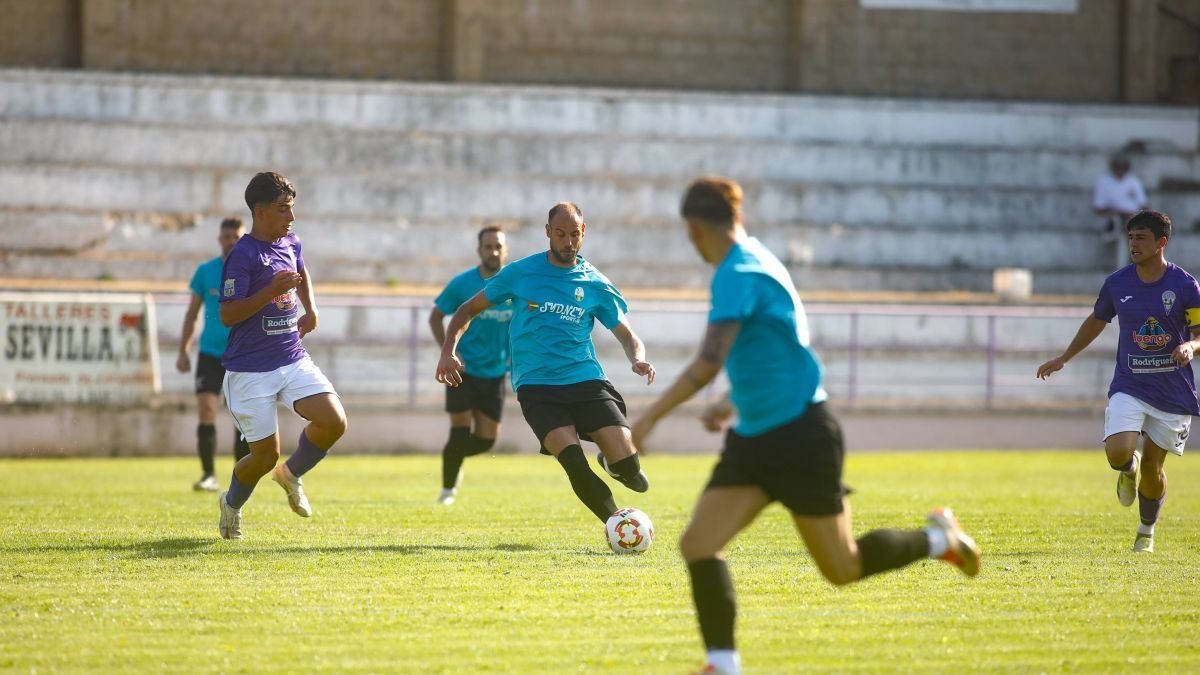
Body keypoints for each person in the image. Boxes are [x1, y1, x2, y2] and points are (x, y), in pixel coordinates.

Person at [630, 177, 981, 675]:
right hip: (755, 437)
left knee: (843, 567)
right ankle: (723, 664)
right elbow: (780, 345)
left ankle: (938, 540)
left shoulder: (738, 271)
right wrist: (731, 403)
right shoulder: (759, 258)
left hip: (800, 437)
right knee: (699, 545)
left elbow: (709, 359)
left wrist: (647, 418)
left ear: (692, 230)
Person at [436, 202, 655, 526]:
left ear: (583, 233)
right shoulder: (521, 273)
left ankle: (615, 465)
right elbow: (467, 309)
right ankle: (617, 524)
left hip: (586, 381)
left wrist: (638, 358)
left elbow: (628, 334)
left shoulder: (594, 283)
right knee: (574, 463)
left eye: (574, 235)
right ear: (548, 232)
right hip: (537, 387)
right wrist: (448, 350)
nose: (568, 242)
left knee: (630, 469)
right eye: (561, 234)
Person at [1037, 210, 1198, 554]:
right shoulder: (1118, 283)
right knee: (1118, 452)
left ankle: (1146, 531)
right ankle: (1128, 469)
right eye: (1131, 238)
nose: (1134, 244)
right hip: (1131, 384)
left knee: (1155, 469)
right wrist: (1064, 358)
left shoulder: (1185, 285)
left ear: (1161, 242)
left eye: (1141, 238)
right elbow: (1097, 321)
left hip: (1172, 390)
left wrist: (1190, 345)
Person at [216, 171, 348, 540]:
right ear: (259, 212)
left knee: (334, 422)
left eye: (291, 209)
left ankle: (291, 475)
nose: (290, 218)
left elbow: (301, 271)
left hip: (291, 357)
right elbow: (228, 315)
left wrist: (312, 308)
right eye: (283, 210)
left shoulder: (290, 241)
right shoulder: (242, 255)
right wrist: (268, 291)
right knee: (262, 457)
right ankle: (231, 503)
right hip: (250, 370)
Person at [428, 225, 513, 505]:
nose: (494, 251)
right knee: (459, 431)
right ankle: (447, 490)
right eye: (488, 247)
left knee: (487, 440)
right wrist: (449, 351)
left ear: (505, 249)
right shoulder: (462, 284)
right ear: (479, 251)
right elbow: (435, 316)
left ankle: (453, 457)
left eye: (498, 246)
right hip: (462, 371)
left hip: (496, 371)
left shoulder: (516, 285)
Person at [176, 217, 252, 492]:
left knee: (241, 417)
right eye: (226, 236)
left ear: (243, 240)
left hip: (242, 355)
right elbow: (192, 313)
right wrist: (184, 348)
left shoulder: (251, 270)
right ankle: (208, 474)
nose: (231, 241)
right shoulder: (206, 271)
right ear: (220, 239)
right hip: (209, 354)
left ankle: (240, 479)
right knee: (206, 410)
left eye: (236, 237)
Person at [1093, 154, 1149, 269]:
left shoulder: (1133, 182)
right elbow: (1099, 207)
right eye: (1118, 167)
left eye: (1122, 167)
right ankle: (1132, 263)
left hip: (1135, 216)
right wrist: (1119, 213)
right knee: (1129, 228)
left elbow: (1144, 205)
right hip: (1115, 218)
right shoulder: (1104, 182)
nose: (1120, 170)